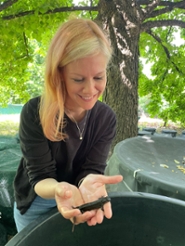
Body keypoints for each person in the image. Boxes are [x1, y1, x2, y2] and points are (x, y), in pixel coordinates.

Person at [13, 18, 123, 233]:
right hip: (36, 202)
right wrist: (60, 189)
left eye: (98, 77)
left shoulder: (106, 118)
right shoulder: (34, 112)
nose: (90, 89)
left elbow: (91, 169)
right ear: (59, 75)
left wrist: (88, 183)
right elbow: (40, 178)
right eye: (78, 79)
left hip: (81, 199)